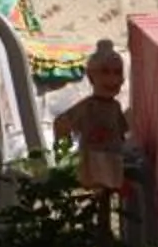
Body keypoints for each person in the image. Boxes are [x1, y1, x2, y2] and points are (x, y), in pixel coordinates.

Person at [53, 40, 131, 196]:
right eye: (105, 72)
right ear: (91, 76)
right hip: (92, 160)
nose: (112, 79)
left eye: (117, 72)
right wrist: (63, 155)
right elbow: (61, 124)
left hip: (113, 159)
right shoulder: (87, 106)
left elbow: (122, 132)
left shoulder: (115, 107)